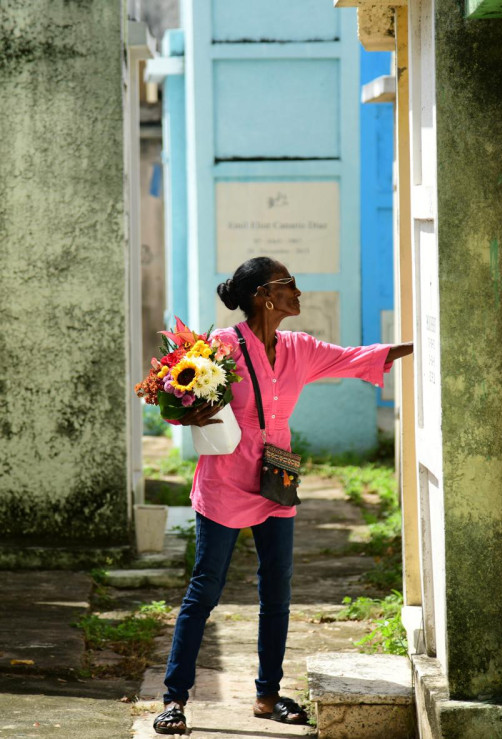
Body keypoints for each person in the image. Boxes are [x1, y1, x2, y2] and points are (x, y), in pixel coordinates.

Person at [153, 256, 413, 735]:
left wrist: (420, 344)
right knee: (205, 589)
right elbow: (173, 395)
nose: (298, 291)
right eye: (288, 284)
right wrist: (186, 415)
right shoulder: (220, 348)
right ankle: (174, 699)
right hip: (226, 479)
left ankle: (267, 696)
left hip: (277, 478)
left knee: (278, 592)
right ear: (263, 296)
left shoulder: (300, 348)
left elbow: (355, 357)